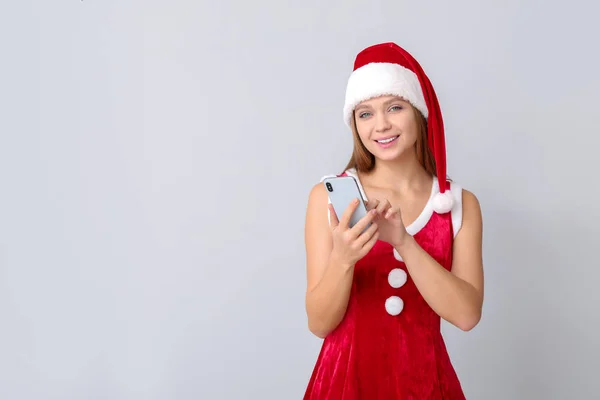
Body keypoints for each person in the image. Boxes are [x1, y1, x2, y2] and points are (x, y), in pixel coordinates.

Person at [302, 42, 484, 399]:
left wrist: (404, 241)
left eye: (395, 107)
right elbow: (320, 323)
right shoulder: (328, 199)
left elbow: (466, 316)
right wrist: (343, 258)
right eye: (365, 114)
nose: (381, 125)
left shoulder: (459, 204)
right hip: (343, 386)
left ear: (418, 111)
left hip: (428, 385)